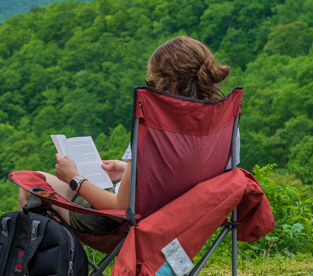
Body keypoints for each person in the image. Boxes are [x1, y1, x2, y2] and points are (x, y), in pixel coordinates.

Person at [16, 35, 237, 238]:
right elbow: (187, 175)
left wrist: (75, 179)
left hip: (123, 223)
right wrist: (127, 170)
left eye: (152, 82)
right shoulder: (224, 127)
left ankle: (13, 263)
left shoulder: (152, 130)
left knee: (31, 184)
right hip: (184, 224)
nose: (151, 87)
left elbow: (120, 208)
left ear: (172, 81)